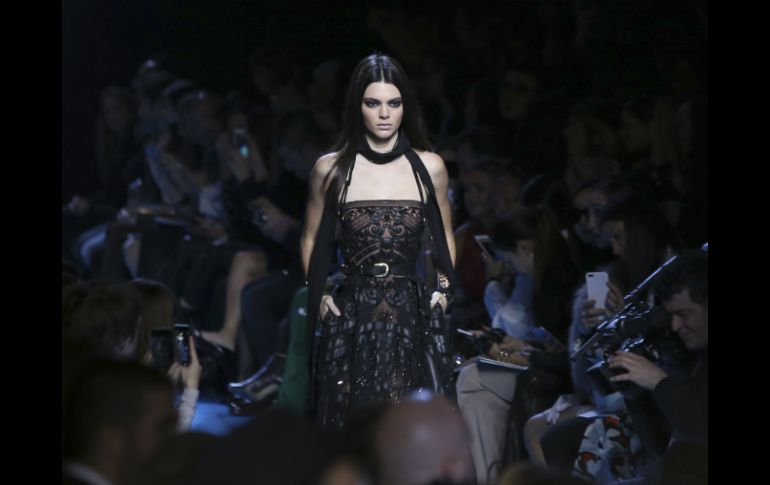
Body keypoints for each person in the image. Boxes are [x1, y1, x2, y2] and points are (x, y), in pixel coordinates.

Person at [300, 53, 457, 428]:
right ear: (357, 107)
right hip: (352, 311)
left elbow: (444, 236)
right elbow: (311, 238)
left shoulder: (429, 167)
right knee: (349, 423)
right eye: (373, 103)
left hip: (412, 313)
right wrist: (318, 294)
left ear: (406, 106)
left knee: (406, 424)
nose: (384, 114)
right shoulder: (330, 169)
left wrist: (444, 291)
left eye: (394, 103)